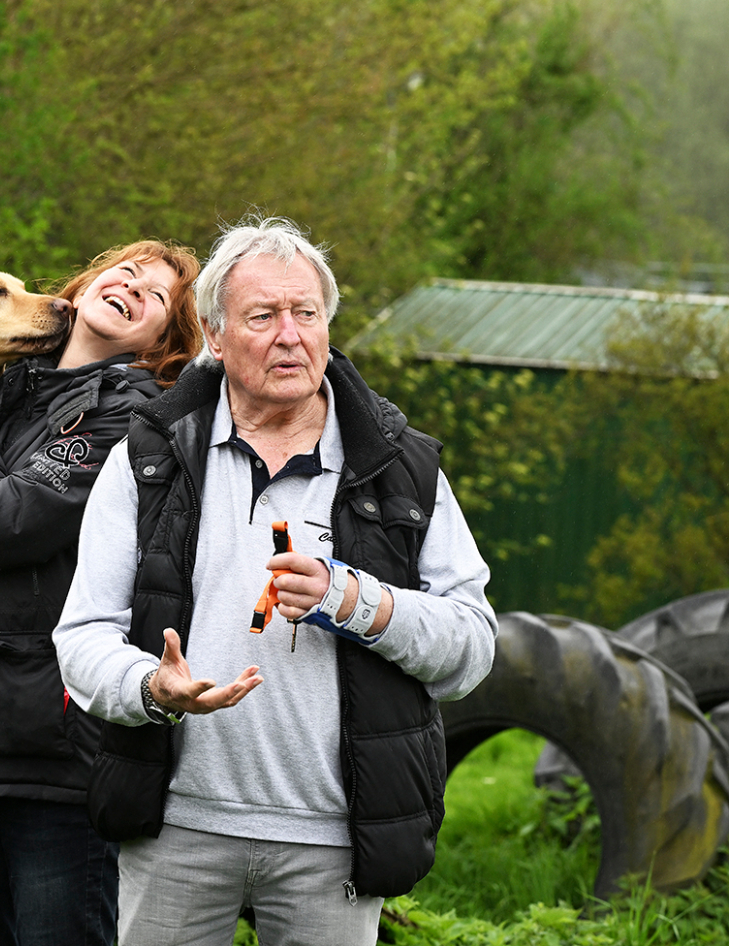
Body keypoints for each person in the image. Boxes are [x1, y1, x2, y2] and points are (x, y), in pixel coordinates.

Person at [53, 218, 498, 946]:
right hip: (174, 825)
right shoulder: (149, 455)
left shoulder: (399, 469)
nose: (290, 335)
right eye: (263, 315)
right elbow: (81, 634)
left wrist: (360, 602)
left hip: (334, 840)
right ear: (216, 335)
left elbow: (472, 647)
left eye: (307, 313)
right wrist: (147, 689)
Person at [0, 240, 205, 946]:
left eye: (155, 294)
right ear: (85, 283)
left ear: (161, 340)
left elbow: (3, 524)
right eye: (123, 270)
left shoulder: (126, 415)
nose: (131, 285)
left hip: (55, 751)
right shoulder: (3, 386)